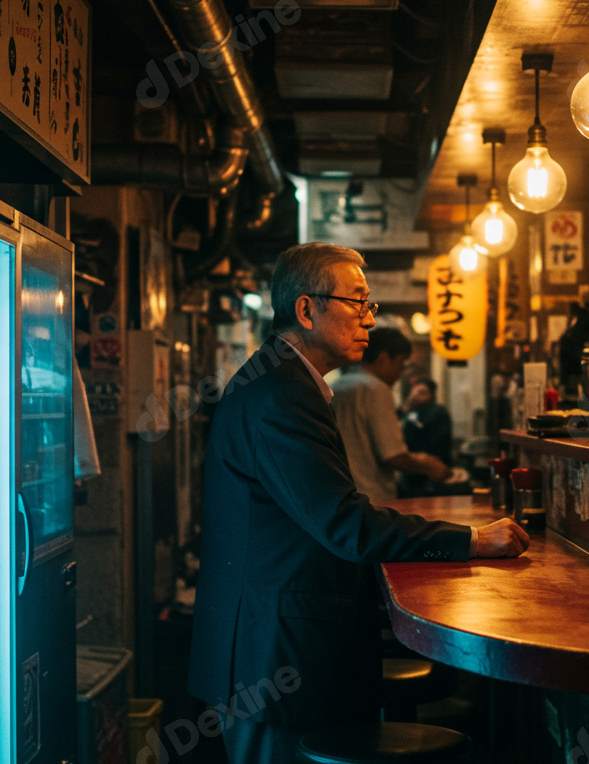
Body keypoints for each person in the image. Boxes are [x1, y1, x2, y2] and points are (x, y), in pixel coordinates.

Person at [187, 243, 530, 763]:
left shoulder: (284, 381)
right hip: (272, 655)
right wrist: (471, 539)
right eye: (358, 302)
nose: (370, 318)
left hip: (274, 645)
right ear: (306, 310)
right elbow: (345, 524)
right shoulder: (280, 394)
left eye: (370, 305)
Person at [330, 327, 450, 505]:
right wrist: (429, 465)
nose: (400, 374)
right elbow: (394, 456)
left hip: (339, 497)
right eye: (400, 365)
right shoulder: (376, 388)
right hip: (372, 499)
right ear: (383, 358)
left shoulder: (335, 387)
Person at [399, 377, 455, 498]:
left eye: (422, 392)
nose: (416, 395)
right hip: (410, 470)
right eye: (414, 392)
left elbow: (437, 442)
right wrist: (406, 408)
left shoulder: (437, 413)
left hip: (431, 472)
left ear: (431, 395)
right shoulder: (407, 411)